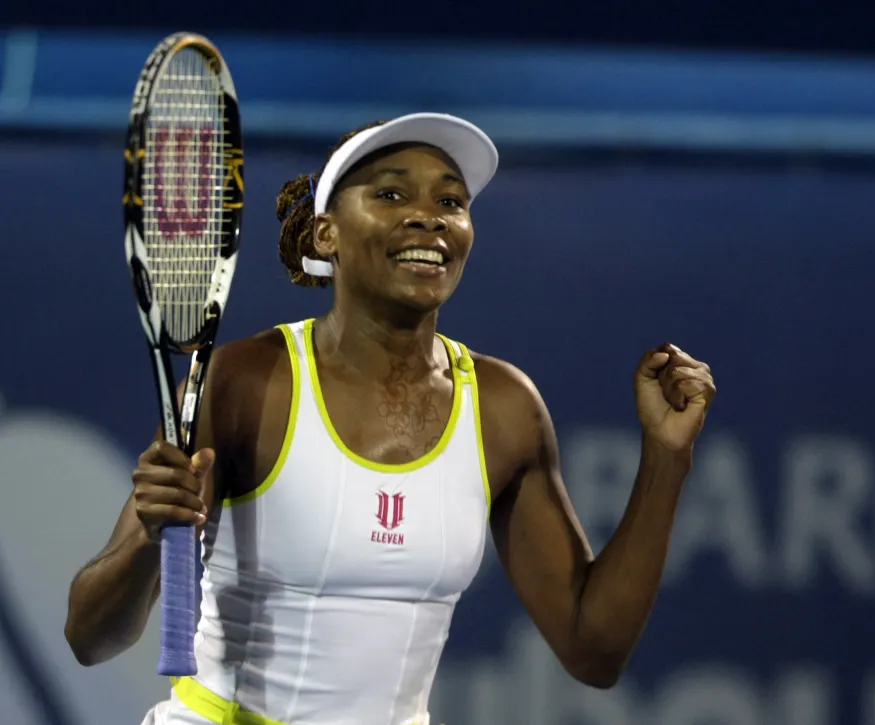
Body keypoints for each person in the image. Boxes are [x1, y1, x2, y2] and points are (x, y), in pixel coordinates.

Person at [64, 112, 716, 725]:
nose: (428, 220)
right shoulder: (242, 381)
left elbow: (592, 650)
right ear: (327, 233)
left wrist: (666, 457)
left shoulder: (503, 406)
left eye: (450, 202)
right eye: (392, 196)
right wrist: (150, 539)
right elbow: (90, 636)